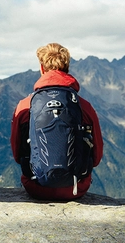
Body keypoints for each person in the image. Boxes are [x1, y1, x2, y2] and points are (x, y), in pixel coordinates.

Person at [10, 43, 103, 200]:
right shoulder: (83, 106)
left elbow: (17, 154)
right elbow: (96, 157)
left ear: (41, 68)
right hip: (76, 188)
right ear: (67, 67)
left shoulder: (26, 105)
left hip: (36, 186)